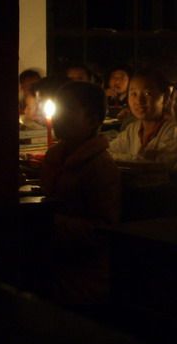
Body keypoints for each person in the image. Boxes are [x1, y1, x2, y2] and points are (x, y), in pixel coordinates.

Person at [40, 81, 121, 306]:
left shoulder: (100, 166)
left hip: (83, 273)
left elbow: (102, 229)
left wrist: (47, 223)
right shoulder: (56, 157)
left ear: (93, 120)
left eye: (67, 109)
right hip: (52, 261)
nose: (57, 117)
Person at [108, 68, 177, 160]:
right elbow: (108, 152)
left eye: (147, 93)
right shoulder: (133, 130)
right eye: (133, 94)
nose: (139, 101)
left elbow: (150, 162)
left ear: (166, 96)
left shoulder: (174, 132)